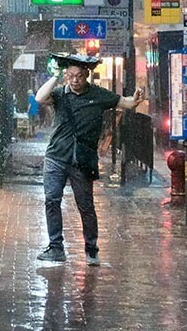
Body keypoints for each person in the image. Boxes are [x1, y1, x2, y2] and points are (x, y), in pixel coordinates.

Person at [35, 58, 145, 266]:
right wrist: (57, 75)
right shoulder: (59, 94)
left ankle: (91, 249)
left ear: (86, 76)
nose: (74, 80)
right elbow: (40, 98)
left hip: (82, 159)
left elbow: (126, 103)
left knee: (85, 205)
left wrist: (136, 99)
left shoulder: (99, 95)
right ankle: (56, 247)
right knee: (52, 200)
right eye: (71, 76)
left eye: (78, 76)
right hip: (56, 156)